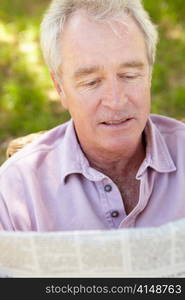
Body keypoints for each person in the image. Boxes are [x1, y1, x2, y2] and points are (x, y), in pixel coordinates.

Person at [0, 0, 185, 231]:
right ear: (60, 88)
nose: (116, 101)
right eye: (91, 82)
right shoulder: (17, 189)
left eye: (129, 75)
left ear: (149, 75)